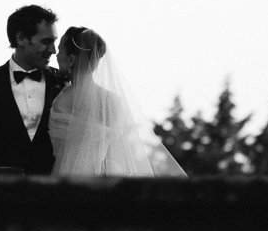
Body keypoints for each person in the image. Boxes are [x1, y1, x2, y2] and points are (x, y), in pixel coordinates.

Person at [48, 26, 186, 177]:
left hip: (66, 178)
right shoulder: (111, 101)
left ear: (71, 59)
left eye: (60, 50)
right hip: (105, 178)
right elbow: (120, 151)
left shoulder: (62, 100)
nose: (55, 54)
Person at [0, 5, 66, 174]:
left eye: (54, 41)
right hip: (3, 195)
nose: (53, 50)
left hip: (56, 194)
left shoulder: (63, 83)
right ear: (21, 38)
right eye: (46, 41)